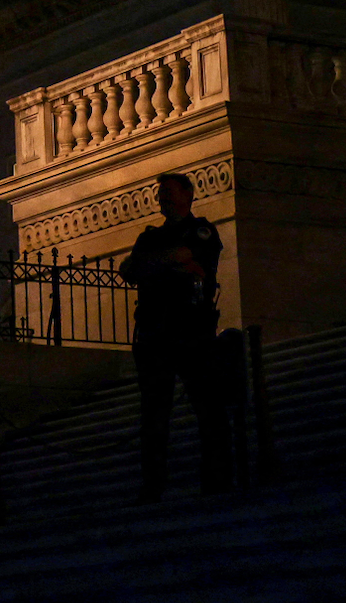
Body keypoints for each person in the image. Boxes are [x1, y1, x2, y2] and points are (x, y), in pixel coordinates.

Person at [118, 171, 230, 501]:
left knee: (207, 407)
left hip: (192, 331)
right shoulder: (150, 236)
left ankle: (216, 478)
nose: (162, 198)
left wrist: (153, 265)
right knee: (154, 415)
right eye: (160, 193)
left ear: (187, 195)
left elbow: (191, 265)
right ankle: (153, 485)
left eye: (168, 191)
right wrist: (170, 262)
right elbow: (128, 271)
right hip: (155, 335)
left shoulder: (201, 231)